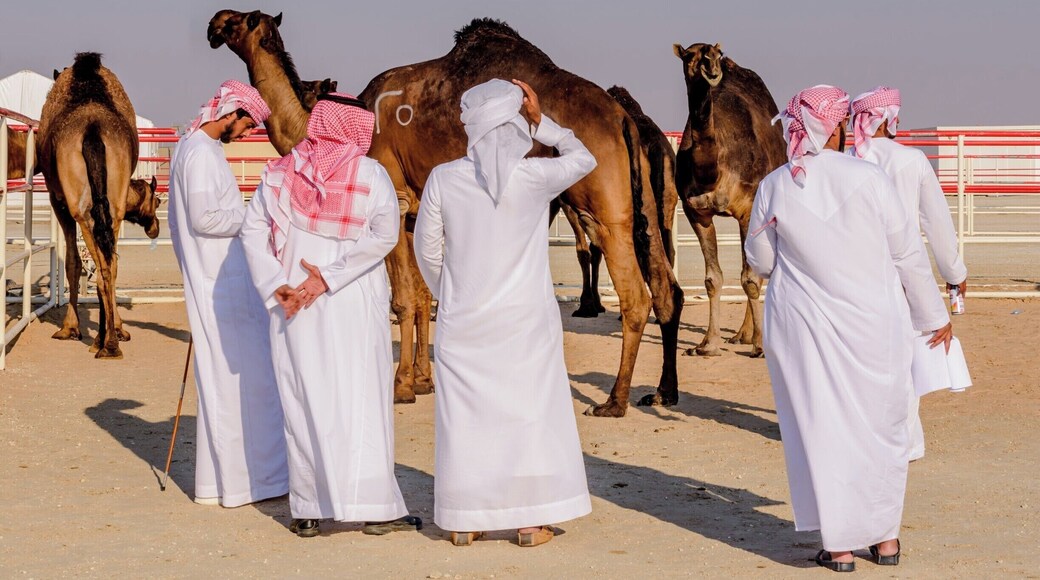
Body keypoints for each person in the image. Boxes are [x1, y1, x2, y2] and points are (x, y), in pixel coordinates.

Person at [745, 85, 953, 572]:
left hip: (804, 328)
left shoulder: (774, 185)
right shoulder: (871, 178)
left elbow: (761, 261)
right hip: (875, 324)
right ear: (837, 127)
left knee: (822, 430)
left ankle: (838, 548)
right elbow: (906, 254)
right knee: (881, 427)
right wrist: (933, 318)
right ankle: (886, 540)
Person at [413, 79, 596, 548]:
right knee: (527, 416)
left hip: (464, 321)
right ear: (514, 123)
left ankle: (464, 520)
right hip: (526, 322)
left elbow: (427, 249)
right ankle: (530, 522)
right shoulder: (535, 176)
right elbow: (583, 157)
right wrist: (544, 123)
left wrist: (452, 294)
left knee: (467, 420)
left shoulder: (444, 177)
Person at [240, 92, 421, 538]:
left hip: (292, 305)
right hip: (351, 301)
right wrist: (330, 278)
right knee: (361, 399)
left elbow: (251, 231)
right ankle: (374, 508)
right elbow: (384, 235)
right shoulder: (370, 173)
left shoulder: (280, 174)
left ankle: (308, 509)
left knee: (304, 399)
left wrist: (273, 284)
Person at [167, 80, 288, 508]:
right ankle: (247, 482)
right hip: (222, 283)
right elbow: (203, 219)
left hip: (221, 277)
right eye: (248, 123)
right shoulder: (199, 152)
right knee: (241, 382)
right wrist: (256, 214)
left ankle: (230, 483)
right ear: (231, 111)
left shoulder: (197, 148)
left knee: (234, 381)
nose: (248, 132)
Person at [850, 86, 968, 460]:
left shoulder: (843, 161)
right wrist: (954, 273)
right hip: (904, 276)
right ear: (888, 119)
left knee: (862, 358)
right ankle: (906, 443)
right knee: (904, 358)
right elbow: (937, 225)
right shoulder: (912, 160)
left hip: (855, 276)